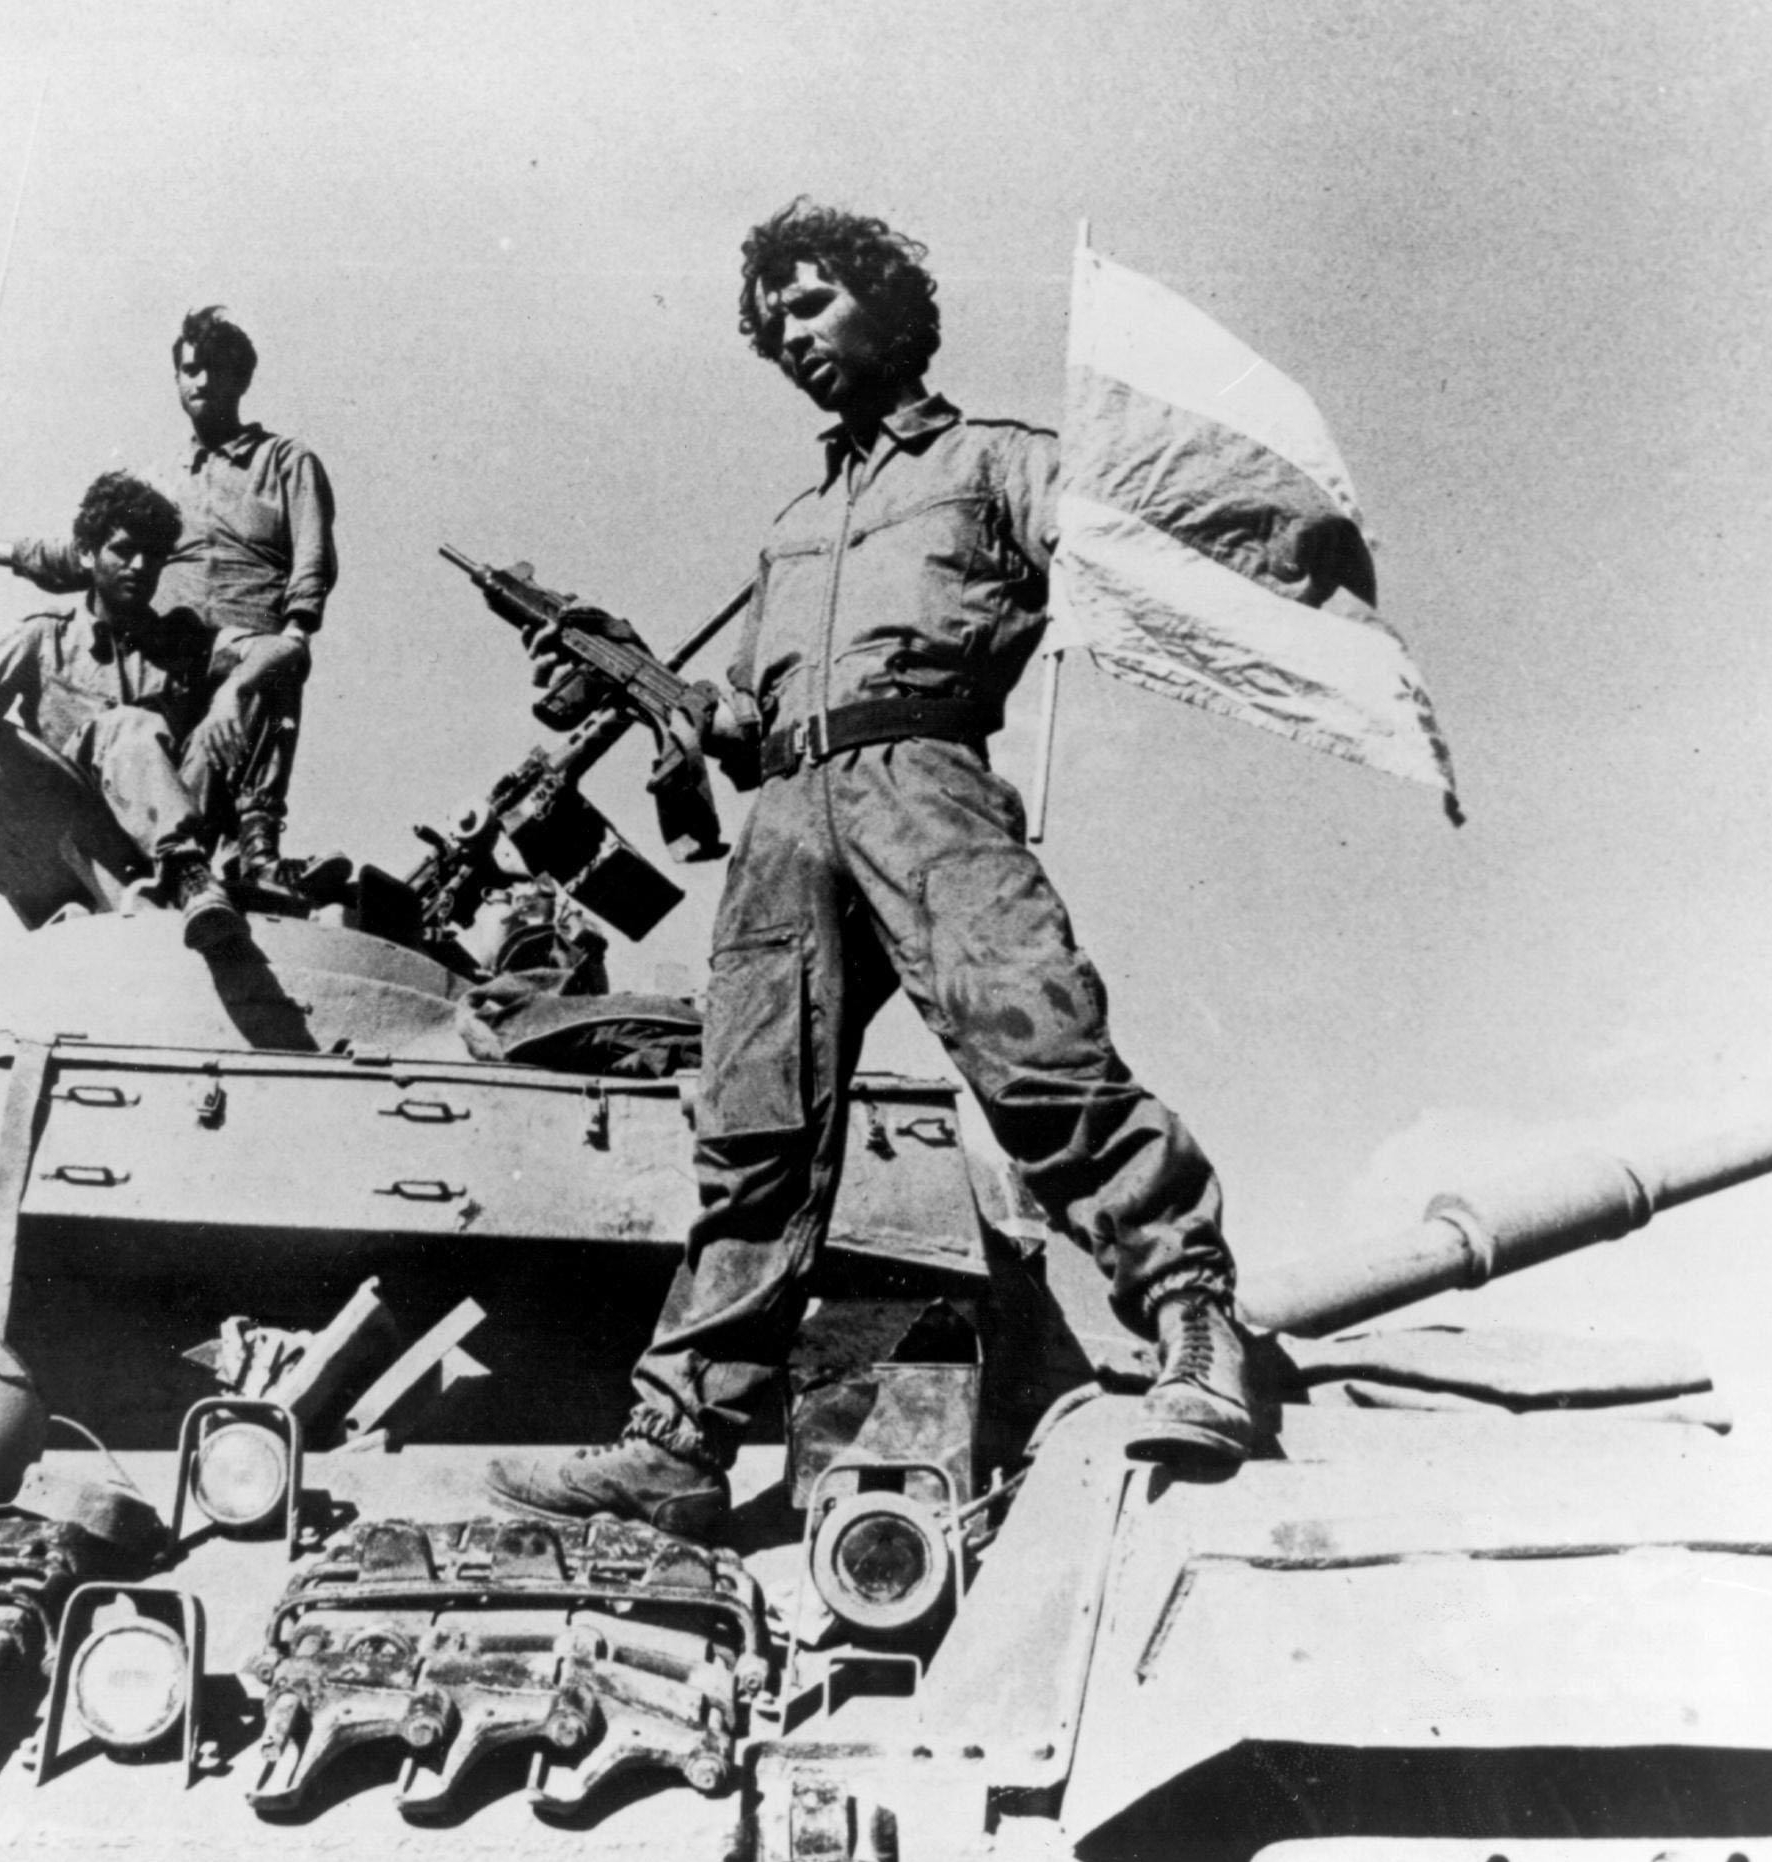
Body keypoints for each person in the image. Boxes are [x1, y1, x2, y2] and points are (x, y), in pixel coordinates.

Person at [488, 200, 1261, 1540]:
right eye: (772, 319)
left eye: (813, 302)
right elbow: (740, 728)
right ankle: (678, 1443)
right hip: (787, 817)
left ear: (889, 308)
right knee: (753, 1143)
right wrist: (637, 689)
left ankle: (1192, 1321)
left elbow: (1130, 542)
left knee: (1039, 1055)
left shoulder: (991, 464)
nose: (791, 335)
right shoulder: (791, 528)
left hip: (925, 781)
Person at [0, 306, 338, 909]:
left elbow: (310, 566)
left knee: (273, 672)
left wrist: (295, 629)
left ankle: (255, 852)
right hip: (169, 661)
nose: (200, 382)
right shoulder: (160, 484)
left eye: (215, 370)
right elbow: (86, 554)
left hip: (239, 657)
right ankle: (178, 873)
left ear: (241, 379)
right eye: (189, 370)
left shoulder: (284, 463)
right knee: (143, 741)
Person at [0, 470, 245, 951]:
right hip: (78, 829)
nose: (140, 566)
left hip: (153, 837)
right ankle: (188, 873)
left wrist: (227, 698)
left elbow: (274, 655)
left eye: (153, 555)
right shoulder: (46, 638)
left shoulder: (179, 645)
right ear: (87, 554)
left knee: (218, 722)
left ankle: (206, 873)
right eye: (123, 550)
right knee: (130, 725)